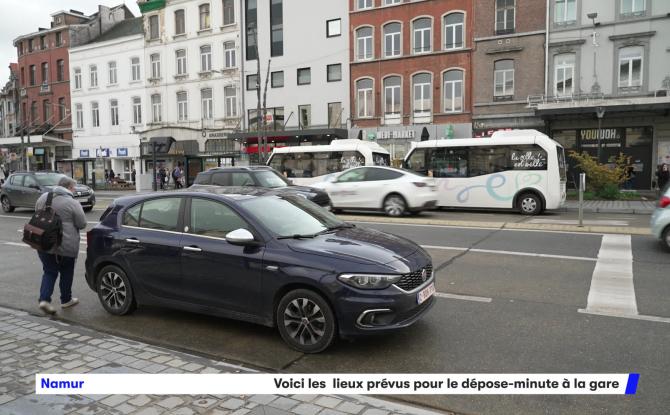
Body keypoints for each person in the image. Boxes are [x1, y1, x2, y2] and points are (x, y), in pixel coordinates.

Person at [34, 177, 87, 315]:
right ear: (69, 187)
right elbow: (82, 224)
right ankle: (66, 300)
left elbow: (37, 214)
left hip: (43, 242)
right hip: (66, 245)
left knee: (49, 271)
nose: (74, 190)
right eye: (74, 187)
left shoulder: (43, 197)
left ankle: (44, 300)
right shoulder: (72, 203)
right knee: (67, 272)